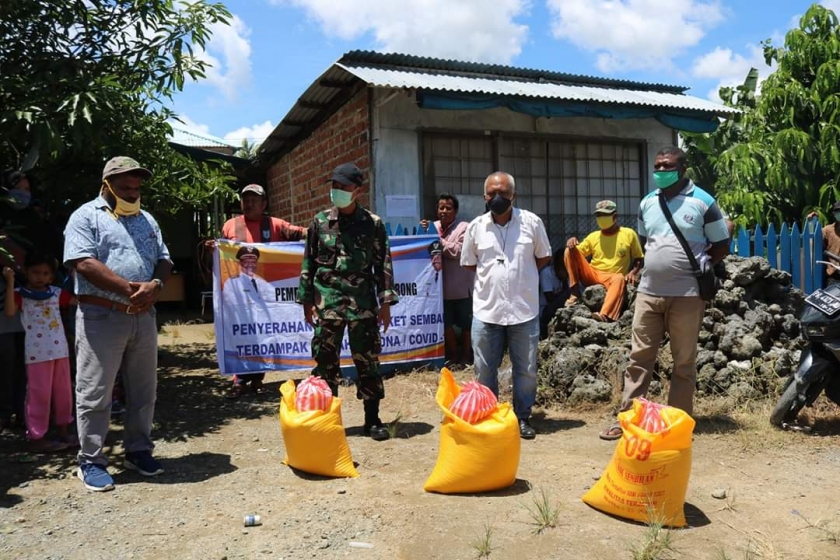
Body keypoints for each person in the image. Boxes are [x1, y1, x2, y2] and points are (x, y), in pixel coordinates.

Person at [600, 147, 730, 440]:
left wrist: (703, 265)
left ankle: (677, 423)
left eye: (667, 166)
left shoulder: (704, 202)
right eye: (657, 166)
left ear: (682, 169)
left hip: (687, 295)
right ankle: (628, 419)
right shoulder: (647, 202)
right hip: (649, 293)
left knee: (683, 362)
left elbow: (721, 244)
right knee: (639, 358)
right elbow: (647, 241)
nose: (660, 170)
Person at [64, 156, 172, 491]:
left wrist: (156, 285)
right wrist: (129, 290)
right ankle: (91, 460)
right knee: (95, 391)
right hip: (102, 316)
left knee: (144, 390)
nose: (132, 193)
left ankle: (138, 451)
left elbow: (164, 259)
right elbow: (82, 262)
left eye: (137, 188)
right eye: (125, 187)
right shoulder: (86, 216)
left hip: (143, 316)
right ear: (107, 185)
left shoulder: (147, 219)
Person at [297, 163, 398, 441]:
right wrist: (306, 301)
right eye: (335, 186)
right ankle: (326, 419)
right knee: (325, 363)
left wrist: (385, 304)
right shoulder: (319, 222)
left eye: (343, 187)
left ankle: (372, 419)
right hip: (327, 304)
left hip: (361, 304)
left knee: (367, 361)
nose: (337, 191)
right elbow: (308, 263)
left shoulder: (373, 224)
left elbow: (383, 265)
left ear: (357, 190)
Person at [461, 171, 552, 439]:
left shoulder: (531, 223)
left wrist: (520, 276)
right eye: (492, 193)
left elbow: (543, 256)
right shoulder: (476, 227)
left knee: (526, 369)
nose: (497, 198)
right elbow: (470, 263)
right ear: (484, 196)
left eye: (503, 193)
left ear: (514, 195)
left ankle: (522, 417)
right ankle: (489, 417)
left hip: (524, 310)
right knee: (484, 369)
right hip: (487, 311)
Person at [209, 183, 306, 398]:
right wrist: (214, 250)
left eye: (254, 200)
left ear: (264, 204)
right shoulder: (231, 225)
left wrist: (323, 231)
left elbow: (302, 234)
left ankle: (257, 379)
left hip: (267, 292)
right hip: (239, 293)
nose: (249, 204)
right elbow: (223, 253)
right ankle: (239, 380)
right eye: (246, 200)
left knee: (263, 333)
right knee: (242, 334)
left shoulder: (276, 225)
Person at [3, 255, 76, 452]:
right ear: (26, 272)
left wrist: (75, 277)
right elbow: (9, 312)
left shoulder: (57, 293)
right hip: (36, 355)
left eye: (45, 273)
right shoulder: (20, 294)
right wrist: (10, 282)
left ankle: (63, 430)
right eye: (35, 272)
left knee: (64, 394)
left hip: (60, 351)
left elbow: (77, 301)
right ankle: (37, 437)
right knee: (38, 395)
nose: (40, 277)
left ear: (51, 276)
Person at [564, 200, 644, 322]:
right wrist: (572, 243)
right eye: (598, 215)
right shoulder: (593, 236)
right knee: (568, 250)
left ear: (615, 216)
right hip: (592, 274)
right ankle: (575, 292)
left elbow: (639, 258)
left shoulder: (628, 234)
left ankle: (605, 315)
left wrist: (633, 272)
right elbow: (576, 254)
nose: (601, 218)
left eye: (605, 215)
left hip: (613, 277)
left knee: (619, 278)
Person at [421, 194, 475, 367]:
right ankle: (452, 354)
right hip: (439, 289)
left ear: (455, 211)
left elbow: (459, 251)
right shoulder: (433, 227)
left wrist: (437, 241)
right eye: (441, 208)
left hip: (460, 287)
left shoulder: (464, 227)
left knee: (466, 325)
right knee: (446, 323)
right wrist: (424, 233)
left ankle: (466, 355)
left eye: (448, 208)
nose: (444, 211)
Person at [539, 248, 571, 339]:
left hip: (561, 308)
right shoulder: (547, 273)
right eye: (561, 263)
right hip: (545, 309)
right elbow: (549, 298)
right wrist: (564, 281)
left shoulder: (569, 272)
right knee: (569, 293)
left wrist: (565, 280)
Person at [819, 201, 840, 286]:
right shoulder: (827, 230)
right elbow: (813, 239)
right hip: (834, 274)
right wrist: (811, 223)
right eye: (838, 211)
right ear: (834, 214)